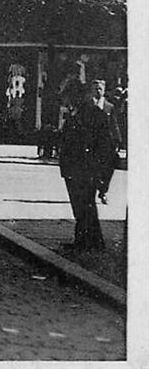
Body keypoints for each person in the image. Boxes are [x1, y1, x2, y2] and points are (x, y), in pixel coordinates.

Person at [57, 82, 117, 251]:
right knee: (81, 206)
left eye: (69, 96)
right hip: (74, 169)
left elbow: (105, 145)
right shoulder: (77, 113)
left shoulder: (93, 114)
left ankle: (92, 243)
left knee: (85, 206)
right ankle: (84, 241)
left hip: (85, 169)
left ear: (78, 96)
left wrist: (100, 175)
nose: (66, 100)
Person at [84, 79, 122, 205]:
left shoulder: (109, 107)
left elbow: (114, 124)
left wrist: (117, 141)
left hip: (106, 143)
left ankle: (103, 190)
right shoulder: (86, 105)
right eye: (95, 88)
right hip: (90, 143)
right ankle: (92, 193)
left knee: (108, 168)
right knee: (92, 169)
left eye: (100, 88)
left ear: (104, 90)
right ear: (91, 90)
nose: (98, 91)